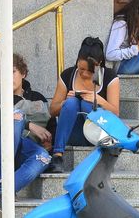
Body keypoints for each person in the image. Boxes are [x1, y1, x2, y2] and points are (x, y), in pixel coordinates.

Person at [0, 53, 52, 207]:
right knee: (15, 115)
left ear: (23, 73)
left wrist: (51, 143)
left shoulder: (39, 98)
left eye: (12, 72)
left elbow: (51, 125)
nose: (8, 77)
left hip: (26, 151)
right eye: (3, 73)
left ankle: (1, 193)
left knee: (44, 157)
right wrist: (27, 124)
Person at [48, 37, 120, 173]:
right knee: (71, 103)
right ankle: (57, 156)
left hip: (96, 134)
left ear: (99, 64)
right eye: (81, 69)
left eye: (90, 70)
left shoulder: (110, 77)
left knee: (88, 104)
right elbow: (52, 111)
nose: (85, 73)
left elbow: (115, 113)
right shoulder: (68, 75)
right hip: (72, 133)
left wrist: (99, 100)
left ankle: (104, 153)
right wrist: (64, 102)